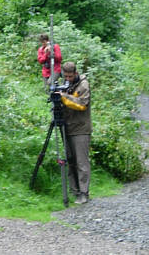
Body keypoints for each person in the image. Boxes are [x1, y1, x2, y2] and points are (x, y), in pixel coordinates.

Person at [60, 62, 92, 204]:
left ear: (76, 73)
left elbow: (82, 104)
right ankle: (75, 191)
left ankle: (84, 193)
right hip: (67, 127)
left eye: (70, 76)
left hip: (81, 129)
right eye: (65, 76)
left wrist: (65, 98)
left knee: (81, 162)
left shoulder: (83, 85)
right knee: (71, 161)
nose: (68, 78)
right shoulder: (65, 84)